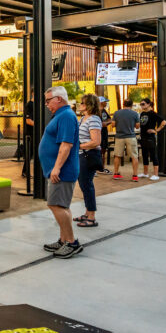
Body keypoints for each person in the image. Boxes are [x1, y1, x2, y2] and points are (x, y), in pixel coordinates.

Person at [39, 86, 83, 259]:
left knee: (55, 205)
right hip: (59, 170)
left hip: (62, 171)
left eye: (48, 100)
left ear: (59, 99)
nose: (47, 104)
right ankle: (64, 239)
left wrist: (56, 167)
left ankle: (71, 242)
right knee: (62, 206)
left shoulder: (65, 116)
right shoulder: (62, 115)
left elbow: (66, 145)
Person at [74, 94, 103, 228]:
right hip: (82, 155)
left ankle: (91, 217)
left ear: (88, 105)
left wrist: (78, 146)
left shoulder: (94, 119)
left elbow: (96, 141)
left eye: (82, 103)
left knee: (87, 185)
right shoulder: (83, 119)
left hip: (88, 155)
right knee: (84, 185)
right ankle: (87, 212)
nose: (80, 105)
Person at [111, 99, 141, 181]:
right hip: (131, 136)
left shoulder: (117, 113)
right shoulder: (135, 114)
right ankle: (135, 175)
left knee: (117, 155)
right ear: (131, 105)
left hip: (119, 136)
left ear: (123, 104)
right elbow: (137, 126)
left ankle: (116, 174)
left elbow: (113, 124)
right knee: (134, 156)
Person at [138, 99, 166, 181]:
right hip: (143, 136)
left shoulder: (153, 113)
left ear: (148, 104)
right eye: (141, 104)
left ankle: (156, 174)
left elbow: (164, 122)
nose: (142, 106)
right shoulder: (142, 113)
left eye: (143, 104)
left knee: (153, 155)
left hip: (150, 137)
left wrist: (156, 130)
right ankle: (145, 173)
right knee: (144, 154)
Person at [97, 96, 112, 174]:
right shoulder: (95, 111)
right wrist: (101, 124)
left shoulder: (104, 111)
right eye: (105, 102)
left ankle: (102, 168)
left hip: (104, 133)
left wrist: (105, 123)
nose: (106, 103)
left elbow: (110, 119)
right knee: (96, 151)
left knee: (103, 150)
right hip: (97, 134)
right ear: (100, 102)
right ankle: (95, 169)